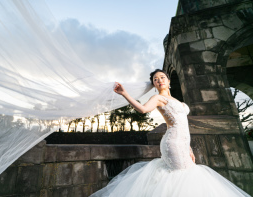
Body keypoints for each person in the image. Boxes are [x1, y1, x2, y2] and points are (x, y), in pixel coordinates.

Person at [90, 69, 250, 197]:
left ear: (168, 80)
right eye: (155, 80)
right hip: (172, 143)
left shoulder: (178, 102)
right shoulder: (159, 98)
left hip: (183, 143)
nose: (159, 80)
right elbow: (143, 109)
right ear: (154, 84)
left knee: (187, 176)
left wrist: (189, 148)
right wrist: (125, 94)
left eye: (162, 77)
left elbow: (184, 126)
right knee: (180, 176)